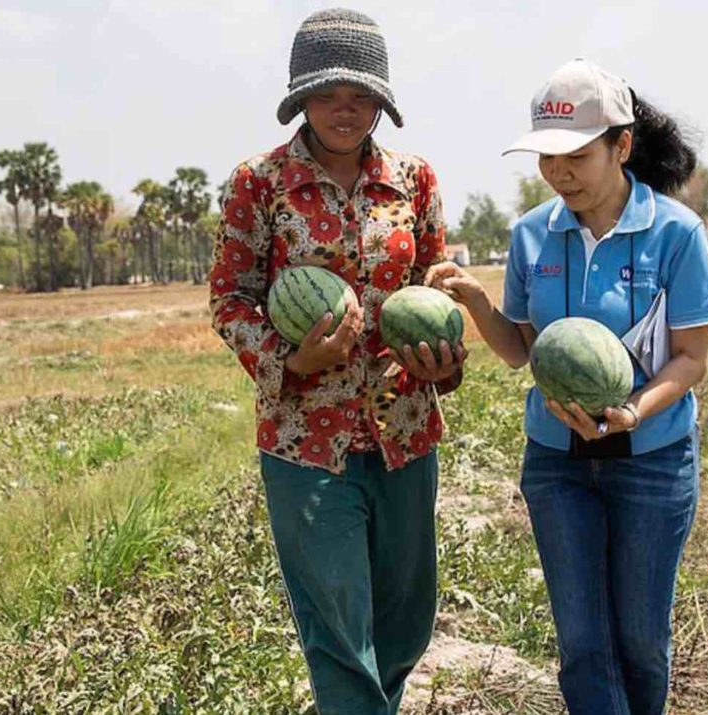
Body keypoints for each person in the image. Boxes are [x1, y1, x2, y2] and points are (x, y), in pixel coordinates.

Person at [426, 58, 708, 715]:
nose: (558, 174)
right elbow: (522, 351)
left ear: (621, 145)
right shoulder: (533, 233)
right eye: (546, 159)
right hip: (557, 463)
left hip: (652, 460)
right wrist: (477, 301)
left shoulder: (676, 232)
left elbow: (691, 358)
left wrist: (634, 412)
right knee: (583, 642)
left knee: (640, 641)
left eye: (575, 157)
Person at [208, 9, 463, 714]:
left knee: (406, 625)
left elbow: (436, 280)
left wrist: (444, 356)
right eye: (327, 95)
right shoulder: (258, 183)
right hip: (305, 439)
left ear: (381, 101)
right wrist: (291, 359)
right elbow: (230, 298)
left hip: (405, 429)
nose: (344, 110)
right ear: (301, 100)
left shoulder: (415, 180)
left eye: (359, 95)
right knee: (340, 634)